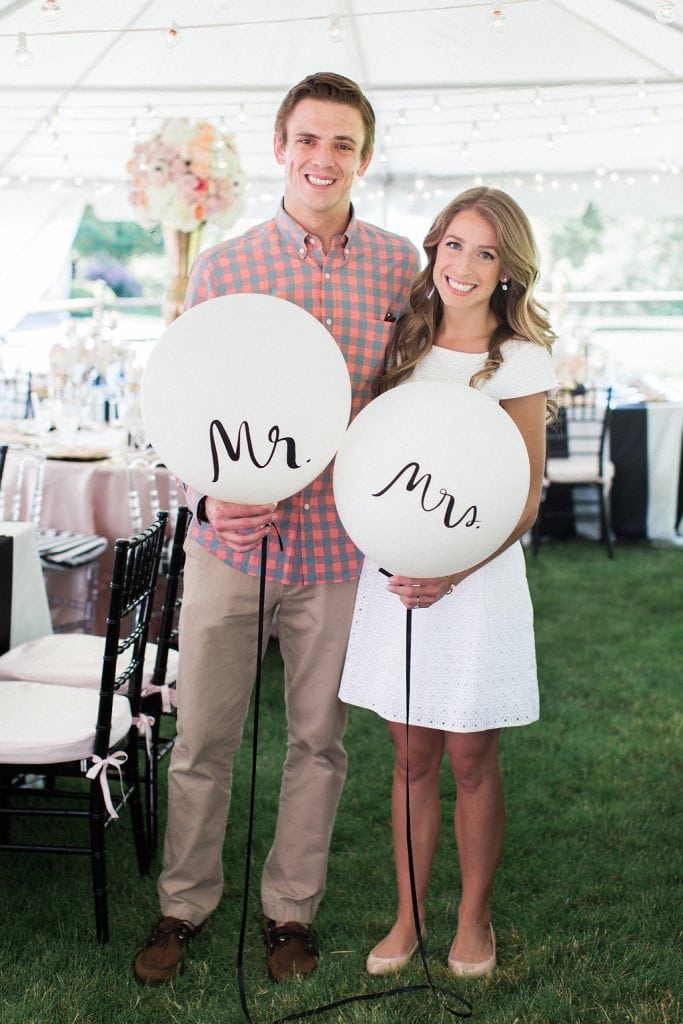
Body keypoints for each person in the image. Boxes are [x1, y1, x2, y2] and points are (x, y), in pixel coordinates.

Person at [133, 72, 420, 986]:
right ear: (280, 149)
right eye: (307, 140)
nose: (322, 158)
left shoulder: (398, 266)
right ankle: (183, 907)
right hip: (231, 547)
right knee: (203, 738)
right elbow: (183, 398)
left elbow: (404, 403)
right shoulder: (227, 265)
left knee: (317, 741)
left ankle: (290, 913)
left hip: (339, 551)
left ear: (362, 157)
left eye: (341, 143)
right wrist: (207, 496)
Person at [338, 187, 558, 979]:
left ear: (507, 272)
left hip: (478, 581)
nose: (463, 266)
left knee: (469, 757)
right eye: (453, 246)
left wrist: (455, 572)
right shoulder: (400, 345)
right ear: (434, 249)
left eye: (485, 253)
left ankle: (473, 919)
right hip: (396, 578)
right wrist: (405, 560)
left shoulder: (520, 360)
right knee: (407, 758)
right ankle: (408, 918)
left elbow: (526, 496)